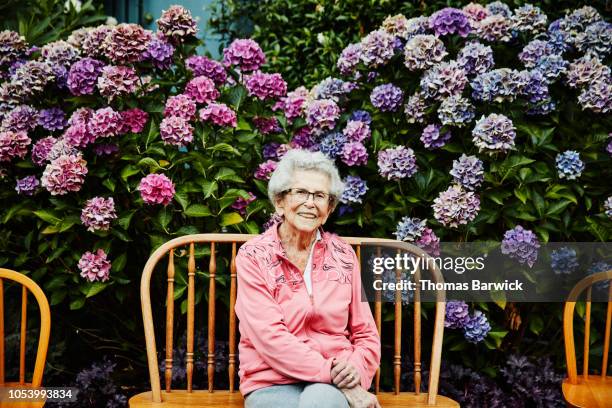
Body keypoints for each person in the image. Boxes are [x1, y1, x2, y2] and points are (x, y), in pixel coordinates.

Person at [235, 149, 381, 408]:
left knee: (321, 400)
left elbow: (366, 333)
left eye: (320, 196)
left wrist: (354, 372)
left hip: (333, 384)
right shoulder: (253, 256)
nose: (310, 203)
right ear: (280, 201)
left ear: (329, 208)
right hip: (272, 381)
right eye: (301, 192)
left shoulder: (344, 256)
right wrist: (336, 375)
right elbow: (270, 338)